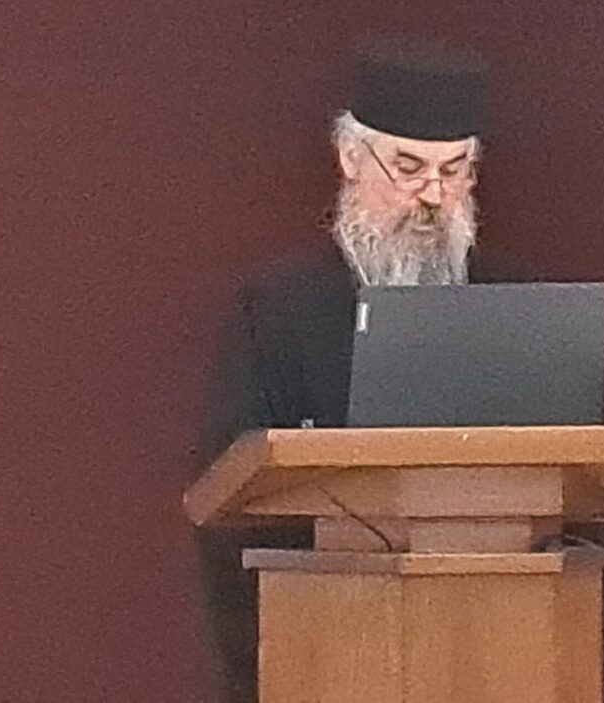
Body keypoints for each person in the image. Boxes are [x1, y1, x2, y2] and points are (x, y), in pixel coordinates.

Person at [195, 42, 503, 700]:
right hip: (323, 641)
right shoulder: (277, 311)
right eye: (409, 167)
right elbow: (227, 496)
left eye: (454, 171)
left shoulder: (512, 307)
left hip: (489, 646)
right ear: (350, 159)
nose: (433, 196)